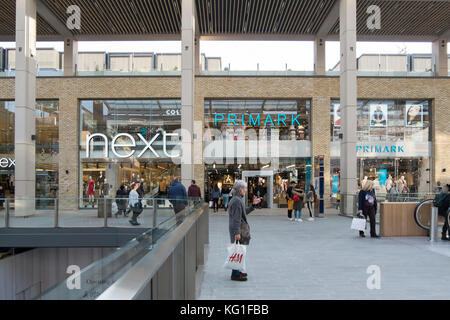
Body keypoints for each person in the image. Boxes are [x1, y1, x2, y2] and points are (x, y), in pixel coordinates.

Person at [228, 180, 261, 282]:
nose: (246, 190)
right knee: (237, 251)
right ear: (240, 189)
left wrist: (253, 205)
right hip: (238, 229)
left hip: (238, 228)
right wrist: (237, 233)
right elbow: (236, 219)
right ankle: (235, 274)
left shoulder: (237, 199)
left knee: (239, 250)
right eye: (245, 188)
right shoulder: (237, 201)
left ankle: (238, 271)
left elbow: (243, 213)